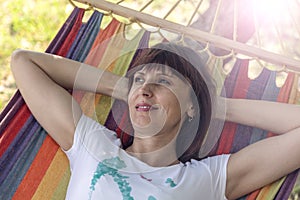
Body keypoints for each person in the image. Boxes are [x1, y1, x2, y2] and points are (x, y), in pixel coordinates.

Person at [10, 42, 300, 200]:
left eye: (163, 81)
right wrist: (124, 88)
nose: (145, 88)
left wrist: (212, 106)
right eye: (140, 79)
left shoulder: (208, 180)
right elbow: (24, 62)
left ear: (191, 106)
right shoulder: (92, 147)